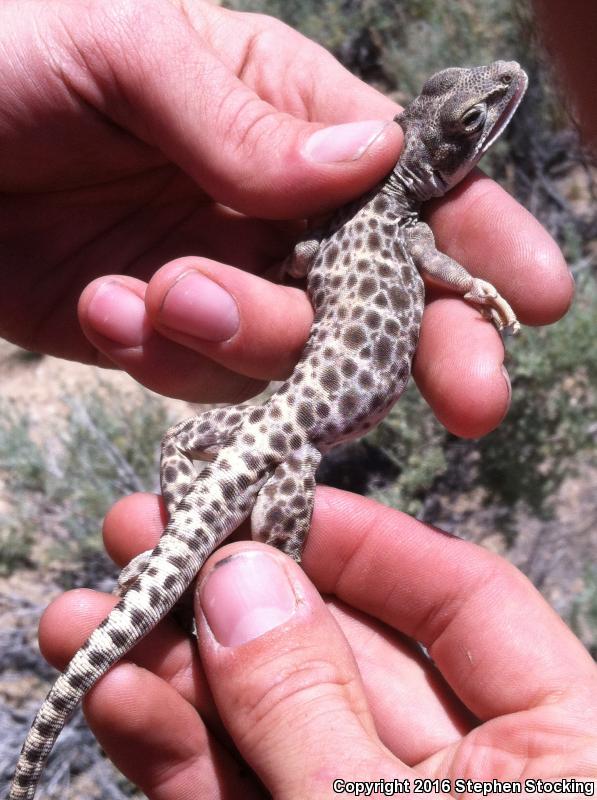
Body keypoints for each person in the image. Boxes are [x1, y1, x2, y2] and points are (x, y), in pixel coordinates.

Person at [2, 0, 594, 796]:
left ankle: (190, 552)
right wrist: (475, 285)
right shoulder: (406, 227)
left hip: (276, 424)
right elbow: (433, 266)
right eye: (468, 119)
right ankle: (225, 576)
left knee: (187, 445)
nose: (502, 91)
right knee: (263, 565)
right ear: (435, 156)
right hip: (295, 436)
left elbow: (305, 259)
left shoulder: (356, 222)